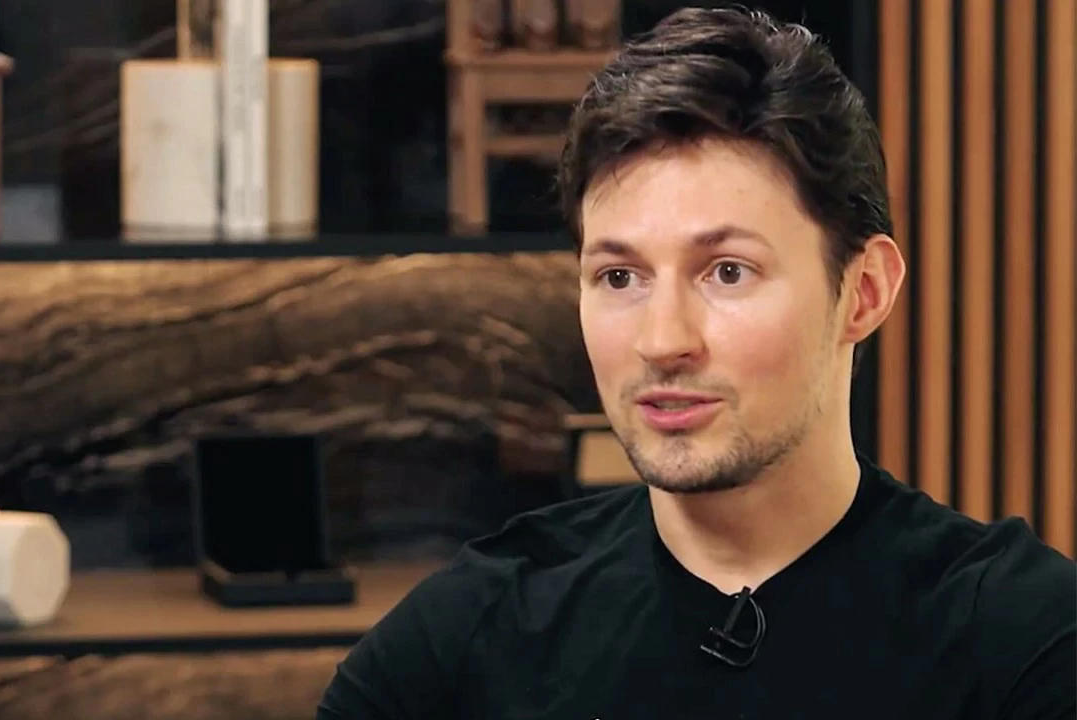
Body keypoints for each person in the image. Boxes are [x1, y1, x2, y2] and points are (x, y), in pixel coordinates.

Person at [316, 6, 1077, 718]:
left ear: (864, 292)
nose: (662, 340)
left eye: (727, 272)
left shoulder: (1018, 642)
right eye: (620, 277)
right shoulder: (469, 635)